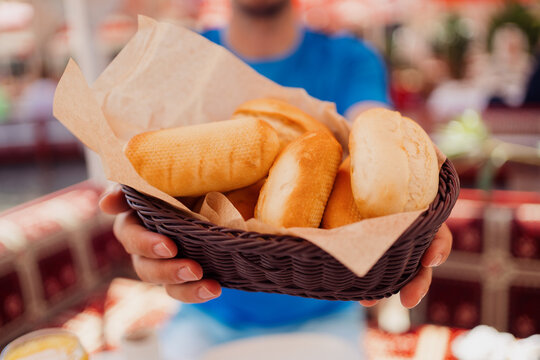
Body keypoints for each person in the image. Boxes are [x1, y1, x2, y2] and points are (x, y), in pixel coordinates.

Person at [100, 0, 452, 357]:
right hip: (205, 307)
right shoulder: (181, 60)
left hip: (328, 314)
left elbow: (371, 125)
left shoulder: (351, 58)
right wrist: (141, 209)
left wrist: (417, 199)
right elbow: (152, 158)